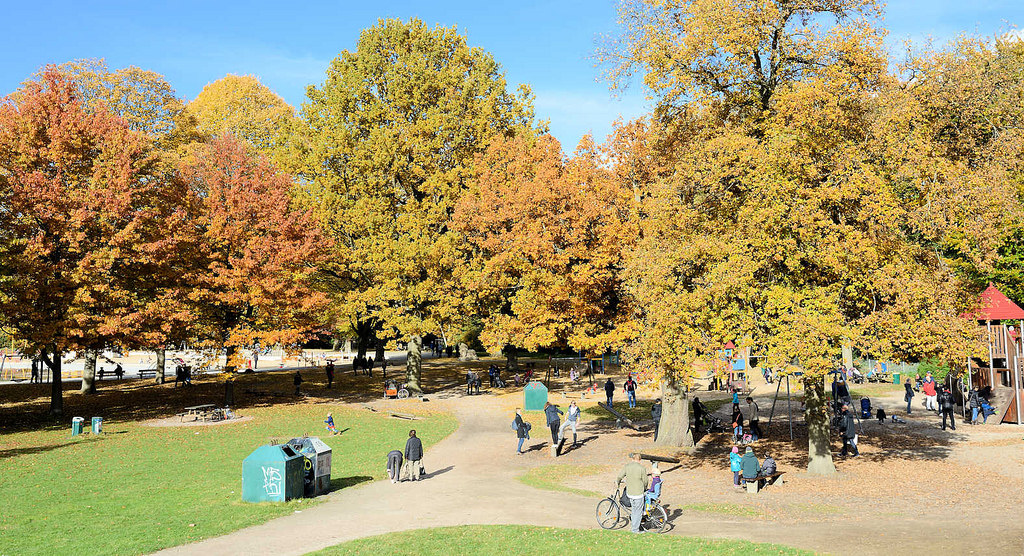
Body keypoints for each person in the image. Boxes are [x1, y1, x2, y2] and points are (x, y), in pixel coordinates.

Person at [616, 453, 648, 534]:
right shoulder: (642, 468)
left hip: (629, 493)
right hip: (638, 493)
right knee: (638, 512)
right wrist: (644, 488)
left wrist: (618, 482)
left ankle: (634, 526)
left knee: (634, 510)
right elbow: (645, 481)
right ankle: (635, 530)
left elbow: (619, 476)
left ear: (632, 459)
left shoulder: (627, 467)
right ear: (640, 460)